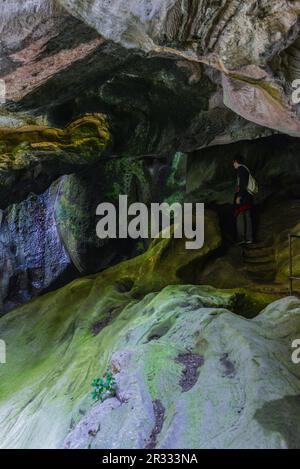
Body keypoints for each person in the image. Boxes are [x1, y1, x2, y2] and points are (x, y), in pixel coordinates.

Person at [233, 156, 254, 245]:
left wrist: (239, 196)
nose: (233, 165)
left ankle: (241, 238)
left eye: (233, 163)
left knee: (240, 217)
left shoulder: (241, 170)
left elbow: (242, 184)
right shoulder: (246, 169)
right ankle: (249, 238)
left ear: (236, 162)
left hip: (243, 198)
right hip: (248, 197)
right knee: (247, 217)